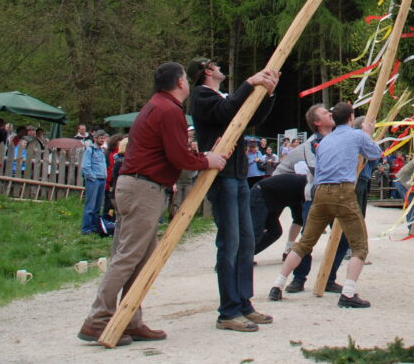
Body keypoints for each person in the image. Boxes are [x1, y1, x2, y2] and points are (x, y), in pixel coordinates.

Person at [78, 61, 228, 346]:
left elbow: (174, 152)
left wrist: (203, 155)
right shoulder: (168, 110)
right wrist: (209, 160)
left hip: (139, 186)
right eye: (185, 77)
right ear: (180, 83)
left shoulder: (158, 106)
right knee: (128, 256)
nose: (187, 81)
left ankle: (129, 319)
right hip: (143, 188)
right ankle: (98, 320)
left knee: (139, 259)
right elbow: (179, 156)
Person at [186, 56, 279, 333]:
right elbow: (226, 112)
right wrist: (250, 83)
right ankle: (228, 311)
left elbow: (251, 118)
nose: (220, 67)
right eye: (214, 64)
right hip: (221, 176)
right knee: (230, 242)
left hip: (237, 175)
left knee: (247, 241)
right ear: (206, 72)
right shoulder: (201, 96)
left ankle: (244, 304)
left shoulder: (222, 96)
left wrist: (267, 94)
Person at [268, 101, 382, 308]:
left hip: (320, 193)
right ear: (350, 119)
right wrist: (366, 133)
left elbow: (319, 169)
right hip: (343, 192)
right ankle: (348, 294)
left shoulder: (325, 142)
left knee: (304, 243)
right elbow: (376, 154)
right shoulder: (356, 135)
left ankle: (277, 285)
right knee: (359, 245)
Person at [81, 130, 109, 234]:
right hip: (94, 180)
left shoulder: (102, 151)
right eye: (101, 138)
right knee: (90, 205)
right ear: (95, 139)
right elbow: (85, 166)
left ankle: (94, 226)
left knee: (98, 205)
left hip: (102, 180)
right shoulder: (90, 150)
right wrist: (92, 177)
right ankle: (86, 228)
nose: (102, 140)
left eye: (104, 138)